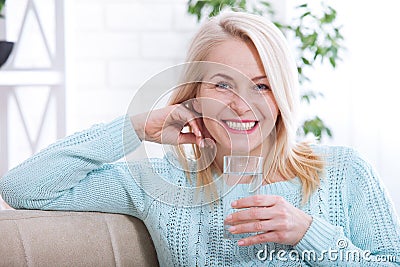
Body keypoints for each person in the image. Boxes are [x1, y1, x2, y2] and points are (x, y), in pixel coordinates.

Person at [1, 11, 400, 266]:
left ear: (283, 96)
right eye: (223, 84)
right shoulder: (160, 183)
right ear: (195, 93)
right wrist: (136, 127)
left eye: (261, 86)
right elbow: (23, 188)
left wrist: (307, 232)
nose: (242, 105)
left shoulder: (344, 171)